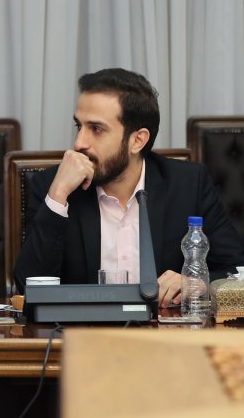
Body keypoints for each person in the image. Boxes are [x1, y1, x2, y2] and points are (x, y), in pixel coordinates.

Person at [14, 68, 244, 307]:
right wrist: (58, 196)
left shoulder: (188, 184)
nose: (79, 143)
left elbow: (236, 271)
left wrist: (195, 284)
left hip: (164, 328)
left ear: (137, 140)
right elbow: (27, 287)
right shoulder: (53, 187)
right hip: (82, 329)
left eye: (96, 129)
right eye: (78, 126)